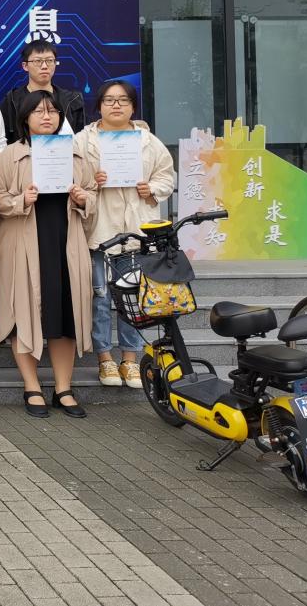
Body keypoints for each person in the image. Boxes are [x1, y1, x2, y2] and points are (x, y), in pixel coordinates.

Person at [0, 90, 96, 419]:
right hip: (24, 242)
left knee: (66, 314)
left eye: (52, 111)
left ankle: (63, 388)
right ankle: (31, 385)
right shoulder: (9, 156)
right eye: (38, 111)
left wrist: (83, 198)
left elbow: (93, 194)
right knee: (25, 312)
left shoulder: (75, 154)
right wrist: (20, 200)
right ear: (25, 118)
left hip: (66, 241)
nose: (46, 117)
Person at [74, 80, 175, 390]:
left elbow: (167, 176)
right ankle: (105, 358)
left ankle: (130, 359)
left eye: (122, 100)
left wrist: (151, 188)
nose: (116, 105)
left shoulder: (148, 141)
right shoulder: (82, 141)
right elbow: (71, 180)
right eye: (109, 100)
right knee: (100, 298)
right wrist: (92, 181)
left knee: (133, 296)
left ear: (133, 106)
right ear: (99, 106)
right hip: (99, 232)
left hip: (135, 233)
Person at [0, 40, 86, 144]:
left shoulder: (72, 100)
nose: (44, 66)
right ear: (25, 66)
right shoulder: (12, 100)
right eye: (37, 61)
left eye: (49, 60)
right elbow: (3, 142)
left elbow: (80, 141)